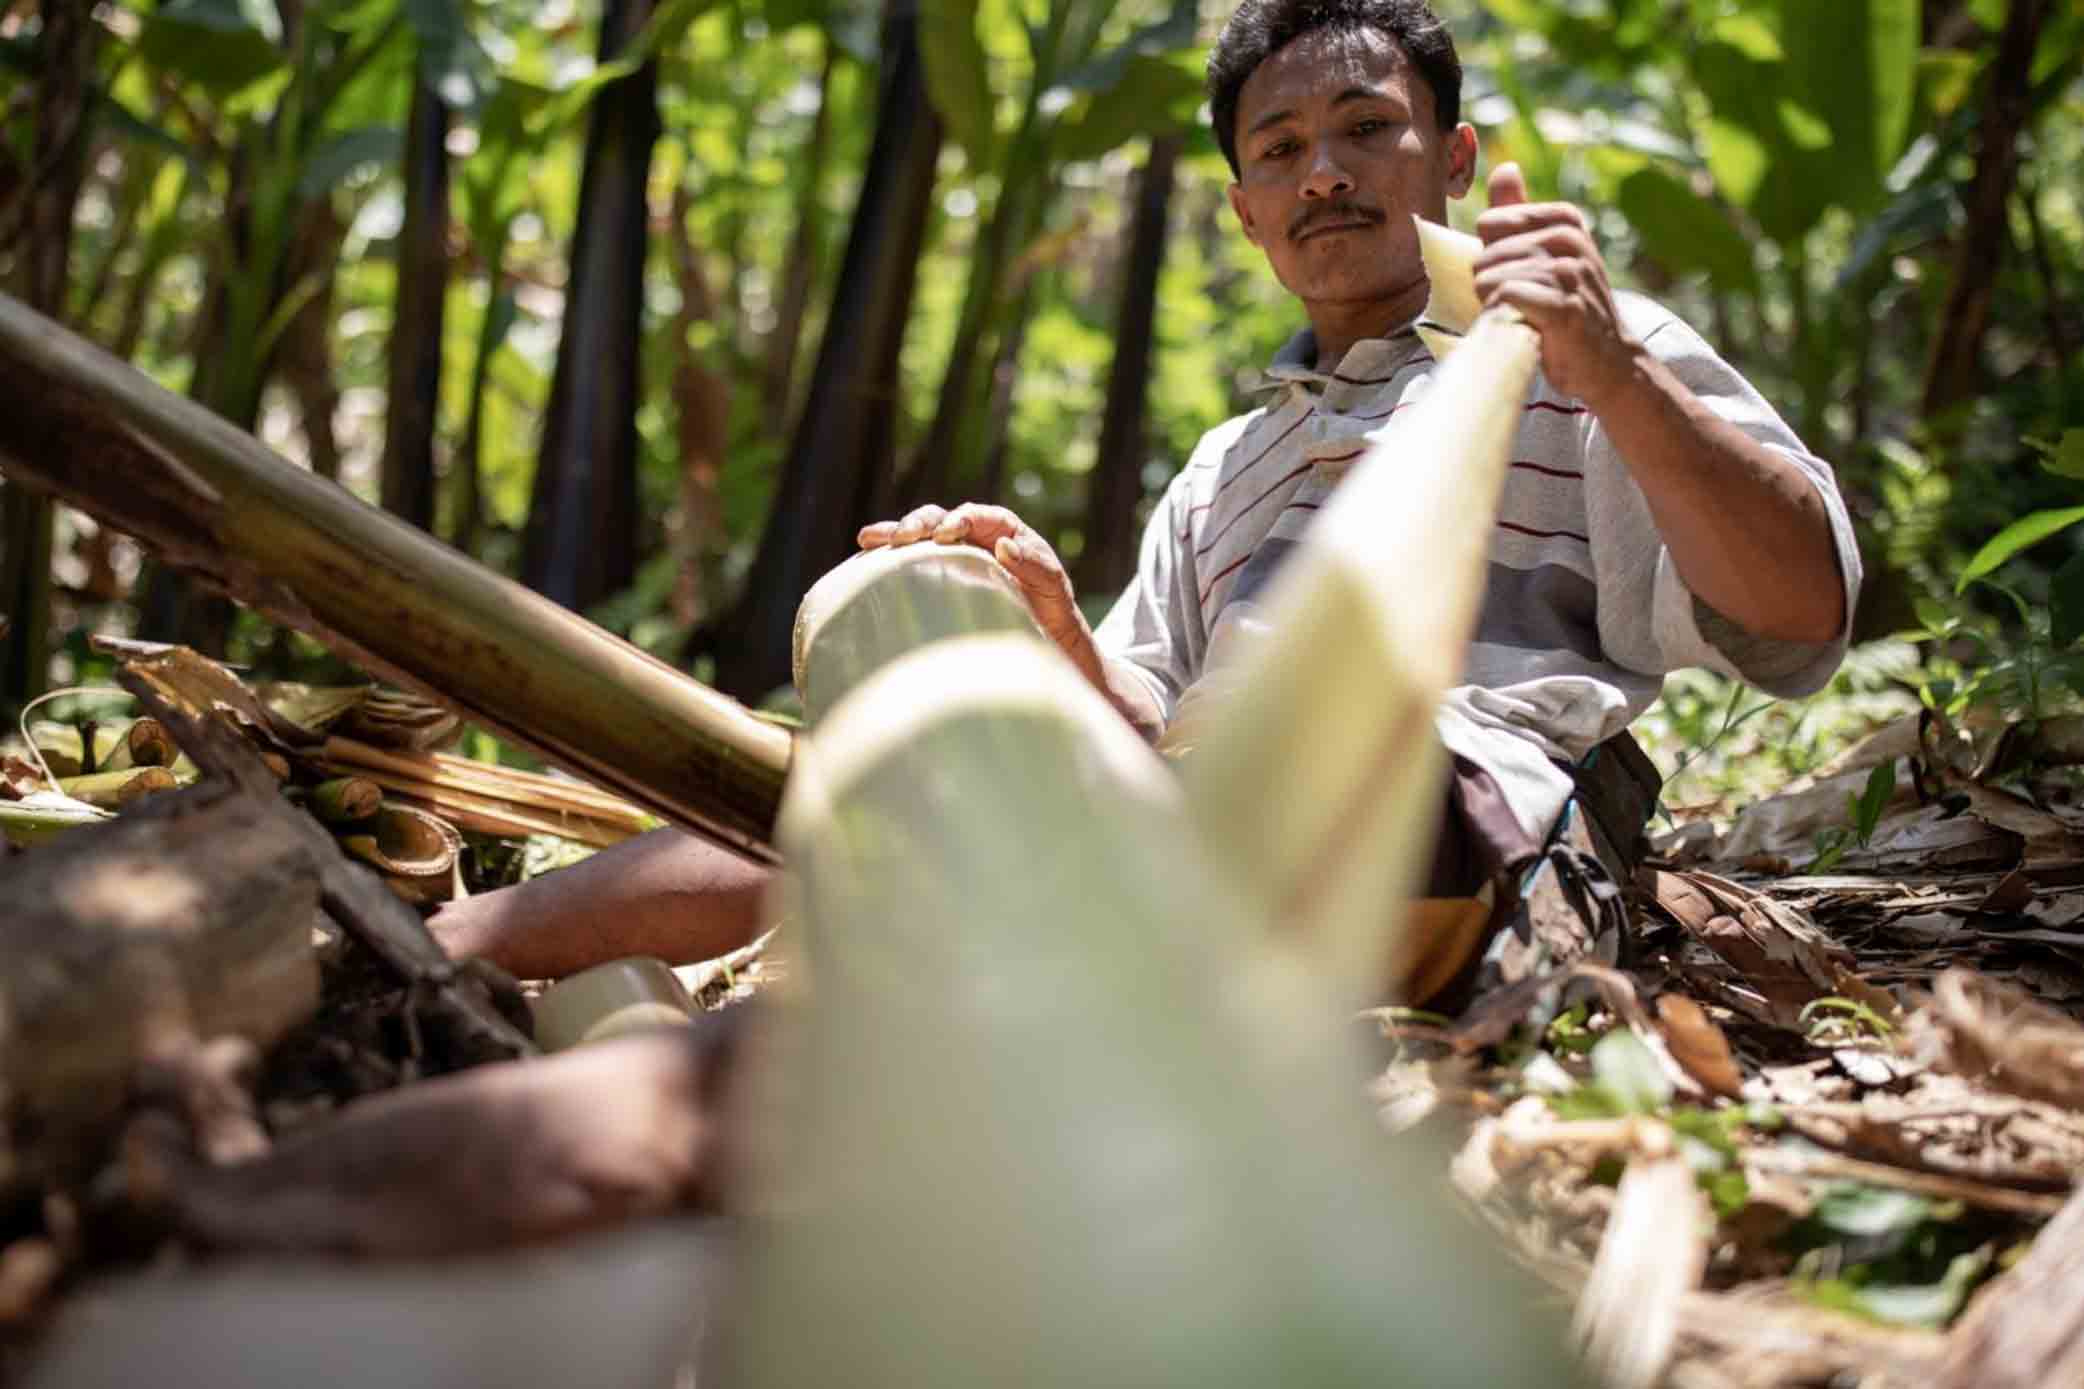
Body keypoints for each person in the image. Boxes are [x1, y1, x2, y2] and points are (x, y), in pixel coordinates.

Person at [435, 0, 1859, 1004]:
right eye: (1280, 148)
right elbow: (1133, 743)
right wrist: (1057, 631)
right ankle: (435, 938)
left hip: (1438, 823)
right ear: (1244, 211)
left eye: (1368, 128)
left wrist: (1610, 370)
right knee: (880, 788)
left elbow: (1804, 612)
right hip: (1191, 829)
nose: (1323, 172)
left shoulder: (1580, 350)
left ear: (1457, 162)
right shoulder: (1226, 467)